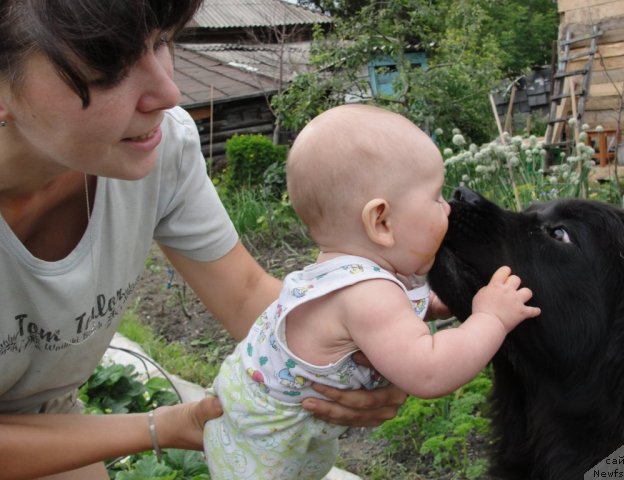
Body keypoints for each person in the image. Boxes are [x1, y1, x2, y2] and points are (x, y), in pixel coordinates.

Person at [0, 3, 406, 479]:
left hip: (48, 420)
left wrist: (371, 345)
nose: (169, 92)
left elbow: (245, 294)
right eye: (109, 70)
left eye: (160, 42)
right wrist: (162, 427)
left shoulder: (161, 146)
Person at [203, 104, 542, 479]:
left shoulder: (339, 273)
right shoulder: (367, 294)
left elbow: (386, 317)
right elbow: (429, 371)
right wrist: (490, 317)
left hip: (250, 429)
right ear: (380, 221)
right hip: (266, 459)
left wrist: (431, 305)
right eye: (436, 196)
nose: (447, 208)